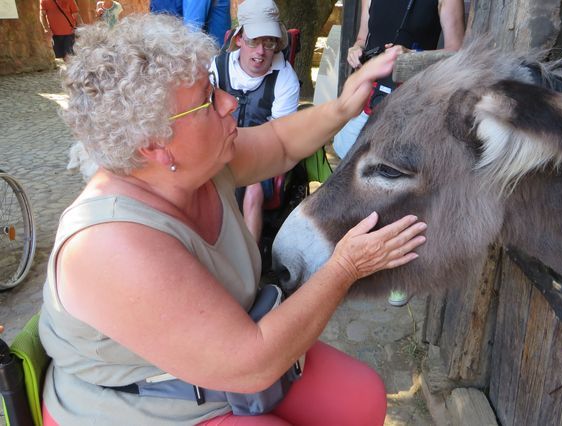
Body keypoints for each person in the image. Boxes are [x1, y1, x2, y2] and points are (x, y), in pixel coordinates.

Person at [39, 14, 427, 425]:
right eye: (207, 99)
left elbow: (278, 142)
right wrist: (346, 266)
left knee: (361, 396)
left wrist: (345, 106)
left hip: (228, 362)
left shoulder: (197, 163)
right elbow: (252, 363)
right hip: (144, 400)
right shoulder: (110, 245)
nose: (229, 102)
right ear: (156, 146)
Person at [335, 0, 465, 307]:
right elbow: (362, 39)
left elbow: (458, 54)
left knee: (401, 189)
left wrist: (415, 58)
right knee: (351, 173)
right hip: (369, 95)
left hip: (410, 103)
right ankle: (350, 257)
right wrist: (355, 49)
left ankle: (398, 270)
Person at [212, 0, 300, 244]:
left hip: (263, 152)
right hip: (218, 148)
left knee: (253, 191)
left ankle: (250, 267)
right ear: (239, 39)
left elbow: (280, 137)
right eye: (254, 41)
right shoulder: (217, 68)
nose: (261, 51)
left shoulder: (285, 78)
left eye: (269, 42)